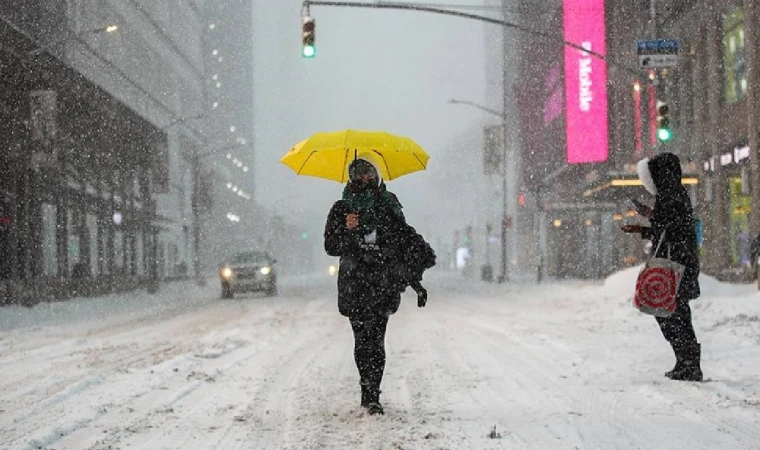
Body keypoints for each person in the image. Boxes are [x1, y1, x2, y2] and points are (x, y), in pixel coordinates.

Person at [323, 158, 434, 415]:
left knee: (377, 339)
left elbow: (402, 243)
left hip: (382, 283)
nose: (366, 178)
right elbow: (330, 246)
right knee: (362, 340)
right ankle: (366, 391)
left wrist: (415, 282)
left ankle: (374, 394)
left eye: (369, 173)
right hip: (354, 284)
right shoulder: (341, 209)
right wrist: (348, 229)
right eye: (360, 174)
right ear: (351, 178)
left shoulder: (388, 205)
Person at [621, 153, 703, 382]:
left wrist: (644, 228)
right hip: (679, 263)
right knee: (672, 312)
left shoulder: (671, 196)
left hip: (676, 266)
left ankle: (689, 363)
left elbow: (672, 230)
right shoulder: (673, 194)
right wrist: (650, 217)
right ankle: (685, 361)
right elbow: (670, 225)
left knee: (672, 313)